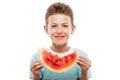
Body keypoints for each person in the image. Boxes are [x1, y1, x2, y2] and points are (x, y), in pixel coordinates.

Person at [30, 2, 92, 80]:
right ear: (46, 30)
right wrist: (35, 75)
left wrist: (84, 72)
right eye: (54, 26)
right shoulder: (37, 58)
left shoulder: (81, 57)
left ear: (72, 29)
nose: (59, 31)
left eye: (65, 26)